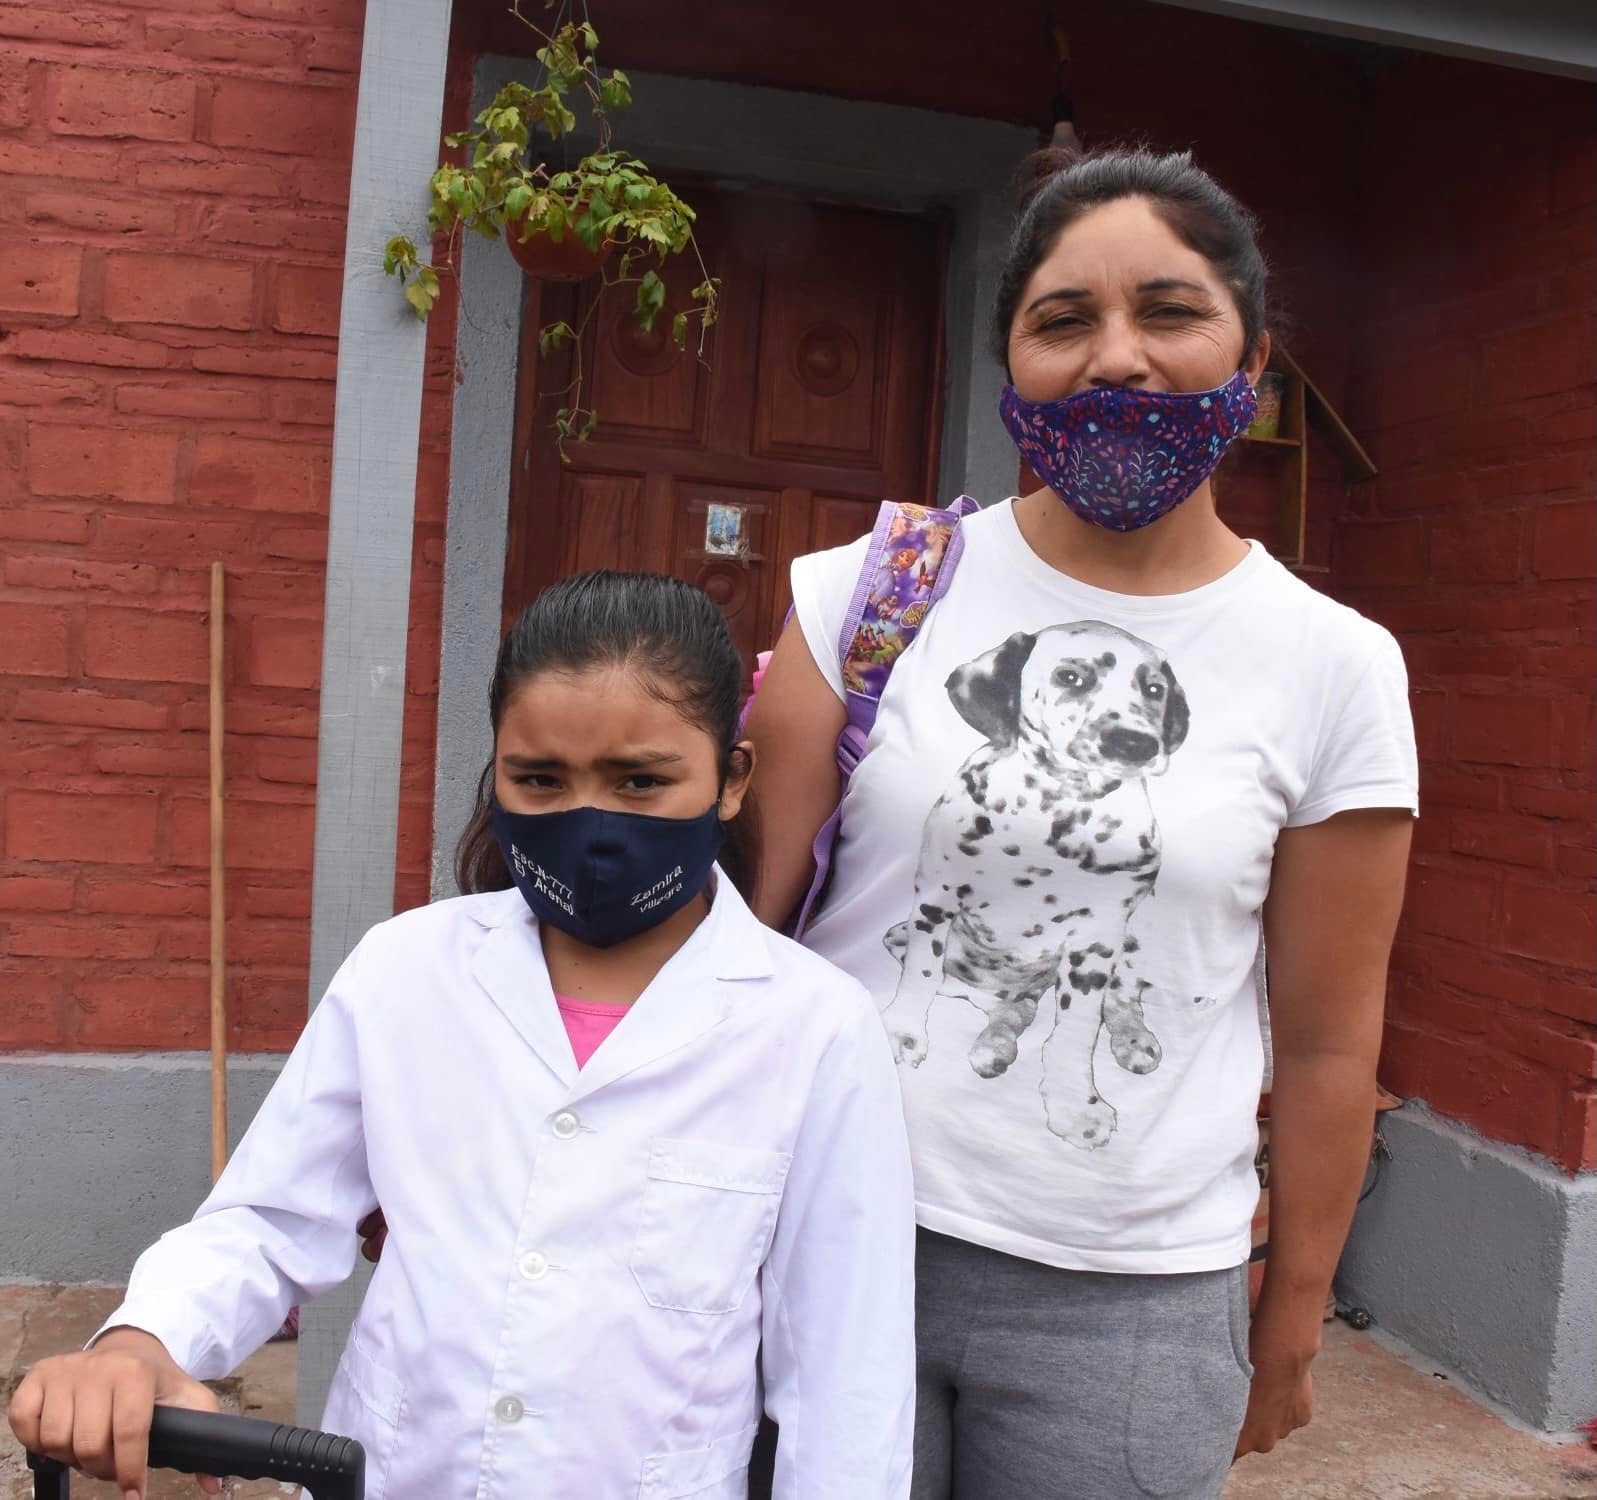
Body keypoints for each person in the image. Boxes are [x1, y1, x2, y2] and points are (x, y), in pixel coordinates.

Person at [745, 147, 1418, 1500]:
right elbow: (732, 943)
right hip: (828, 1240)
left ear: (1252, 355)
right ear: (1011, 360)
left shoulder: (1335, 664)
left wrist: (1293, 1313)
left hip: (1134, 1307)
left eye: (1169, 311)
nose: (1117, 358)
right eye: (1064, 319)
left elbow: (1331, 1040)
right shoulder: (864, 596)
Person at [8, 573, 916, 1500]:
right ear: (497, 773)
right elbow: (270, 1219)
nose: (590, 823)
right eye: (540, 779)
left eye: (641, 781)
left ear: (731, 779)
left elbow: (846, 1382)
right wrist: (141, 1341)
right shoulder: (406, 970)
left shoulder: (814, 1029)